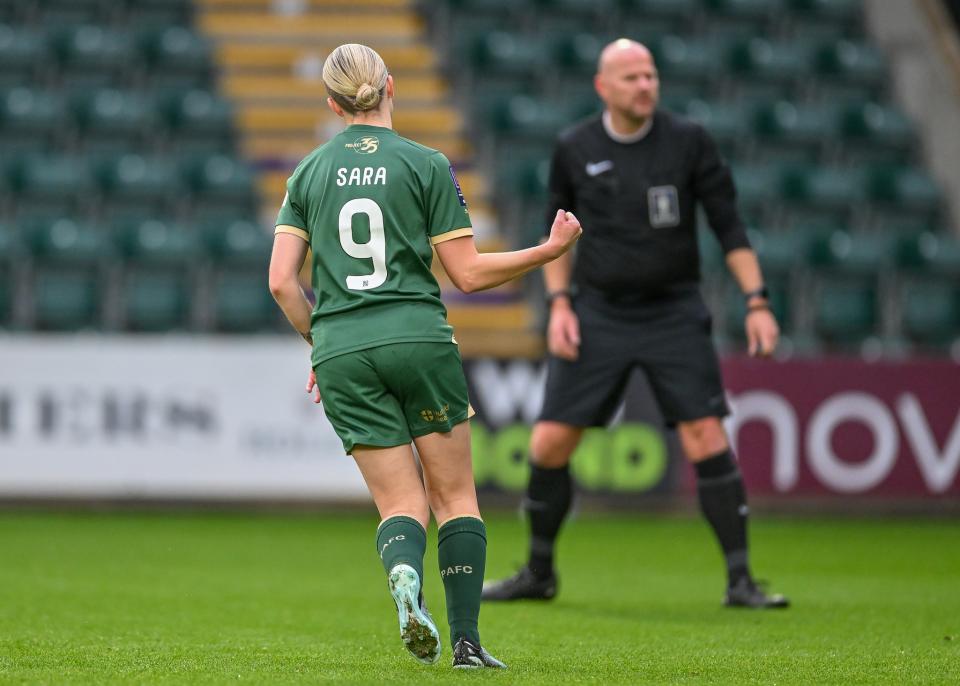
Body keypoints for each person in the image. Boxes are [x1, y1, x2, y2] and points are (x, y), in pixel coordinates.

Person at [268, 43, 582, 669]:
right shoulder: (425, 163)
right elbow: (465, 273)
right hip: (417, 338)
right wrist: (546, 252)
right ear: (390, 85)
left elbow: (281, 283)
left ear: (332, 103)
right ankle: (466, 643)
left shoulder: (307, 173)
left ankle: (406, 584)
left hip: (343, 352)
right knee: (455, 496)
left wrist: (321, 340)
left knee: (398, 504)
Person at [481, 39, 789, 609]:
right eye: (631, 77)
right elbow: (557, 237)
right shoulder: (573, 147)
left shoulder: (689, 141)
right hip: (598, 311)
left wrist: (758, 301)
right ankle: (538, 572)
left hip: (674, 311)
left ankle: (741, 580)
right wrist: (562, 306)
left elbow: (729, 227)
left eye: (650, 75)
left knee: (706, 436)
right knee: (549, 442)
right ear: (604, 87)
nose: (645, 85)